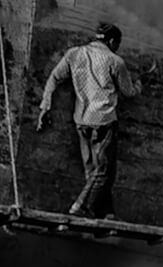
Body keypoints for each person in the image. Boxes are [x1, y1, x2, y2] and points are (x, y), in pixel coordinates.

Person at [38, 22, 144, 219]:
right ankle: (79, 207)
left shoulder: (74, 54)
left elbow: (54, 77)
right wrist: (139, 83)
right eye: (117, 43)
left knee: (92, 170)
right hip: (104, 120)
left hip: (81, 120)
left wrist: (46, 105)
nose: (117, 46)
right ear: (112, 41)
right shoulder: (115, 61)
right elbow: (129, 92)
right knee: (104, 171)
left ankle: (106, 213)